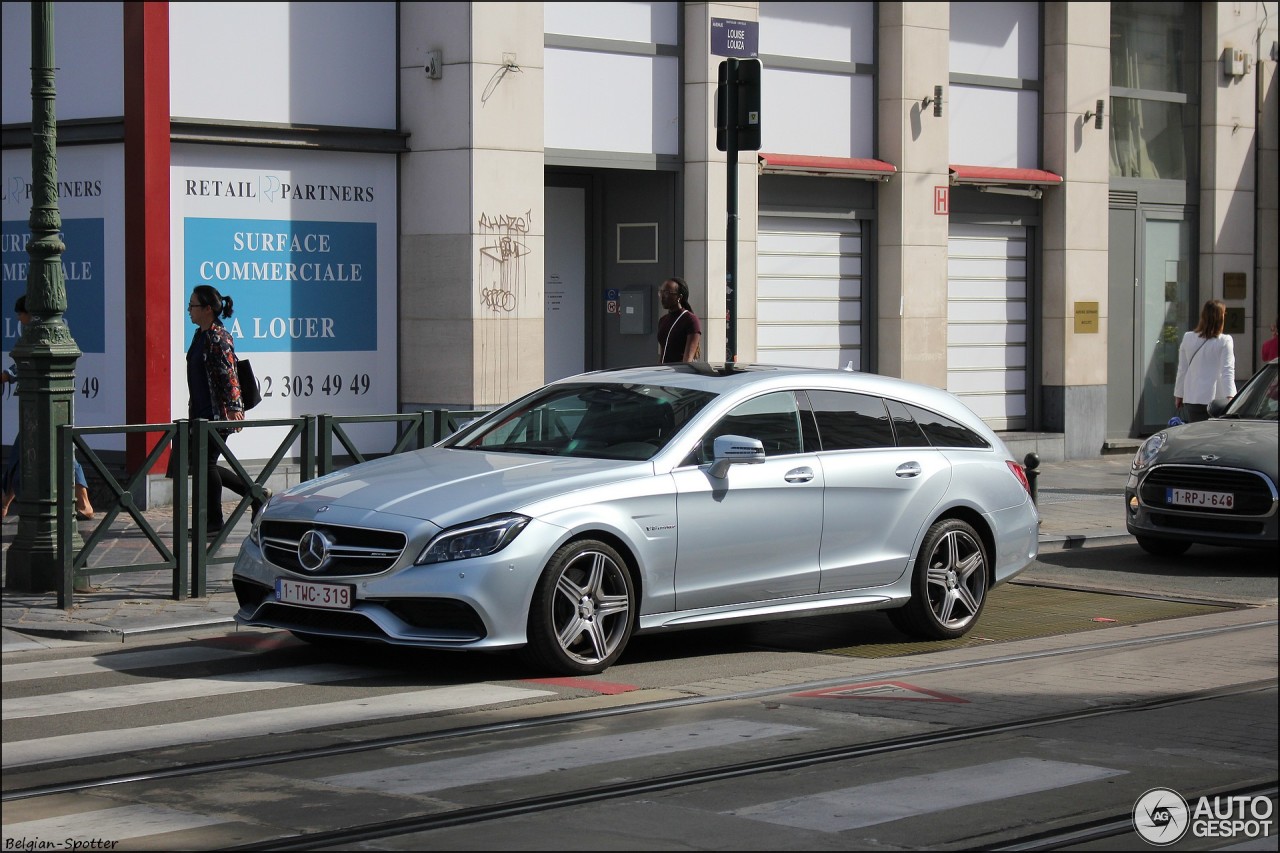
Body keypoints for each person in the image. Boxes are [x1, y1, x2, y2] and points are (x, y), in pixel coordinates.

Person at [2, 295, 95, 521]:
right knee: (29, 452)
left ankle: (84, 503)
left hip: (46, 406)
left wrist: (8, 375)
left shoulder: (45, 333)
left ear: (30, 314)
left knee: (59, 452)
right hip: (38, 407)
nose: (18, 318)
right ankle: (4, 503)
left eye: (20, 313)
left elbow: (33, 361)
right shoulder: (39, 333)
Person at [185, 284, 267, 534]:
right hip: (200, 411)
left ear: (208, 309)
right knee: (201, 464)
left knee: (205, 463)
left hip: (217, 413)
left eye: (193, 306)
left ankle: (214, 522)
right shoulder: (200, 335)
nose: (189, 310)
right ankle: (256, 495)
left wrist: (233, 408)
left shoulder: (219, 337)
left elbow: (229, 373)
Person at [1173, 298, 1236, 423]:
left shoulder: (1188, 337)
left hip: (1192, 397)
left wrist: (1179, 394)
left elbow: (1182, 369)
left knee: (1196, 436)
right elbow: (1227, 371)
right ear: (1220, 318)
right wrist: (1232, 398)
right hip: (1216, 400)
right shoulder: (1224, 341)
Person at [656, 277, 702, 363]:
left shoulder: (690, 320)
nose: (662, 296)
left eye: (666, 292)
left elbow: (688, 358)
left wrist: (680, 375)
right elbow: (663, 352)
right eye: (661, 292)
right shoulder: (663, 320)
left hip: (679, 372)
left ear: (679, 297)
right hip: (664, 372)